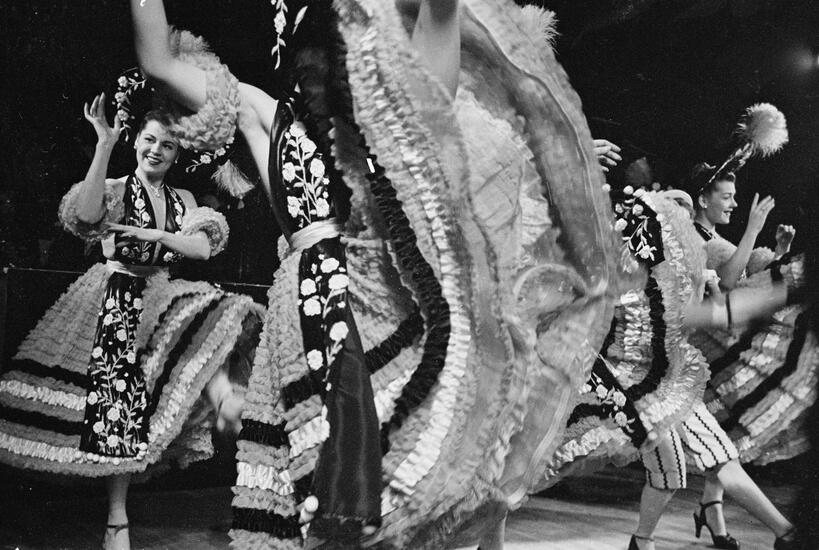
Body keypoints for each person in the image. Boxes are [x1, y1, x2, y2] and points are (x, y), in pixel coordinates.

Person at [131, 0, 626, 548]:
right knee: (309, 506)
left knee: (399, 491)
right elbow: (158, 62)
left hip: (383, 300)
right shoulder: (263, 111)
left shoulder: (393, 123)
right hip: (313, 306)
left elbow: (438, 27)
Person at [0, 96, 264, 550]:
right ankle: (116, 519)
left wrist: (157, 234)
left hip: (158, 295)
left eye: (166, 145)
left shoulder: (183, 200)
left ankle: (223, 395)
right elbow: (84, 218)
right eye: (149, 140)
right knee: (116, 403)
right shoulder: (117, 188)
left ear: (176, 154)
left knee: (222, 308)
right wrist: (104, 145)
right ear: (137, 142)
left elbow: (202, 248)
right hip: (114, 297)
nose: (156, 150)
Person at [534, 189, 801, 550]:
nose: (682, 220)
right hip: (635, 383)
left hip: (670, 379)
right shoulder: (625, 277)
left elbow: (721, 302)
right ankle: (782, 532)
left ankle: (646, 540)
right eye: (676, 212)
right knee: (696, 462)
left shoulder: (681, 272)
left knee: (688, 466)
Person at [685, 163, 812, 549]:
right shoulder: (693, 240)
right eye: (726, 197)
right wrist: (754, 229)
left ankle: (712, 512)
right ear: (702, 200)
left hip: (719, 334)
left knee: (722, 442)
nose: (734, 204)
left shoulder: (716, 239)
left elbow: (752, 285)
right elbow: (729, 282)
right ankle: (783, 531)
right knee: (720, 445)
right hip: (699, 346)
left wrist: (780, 252)